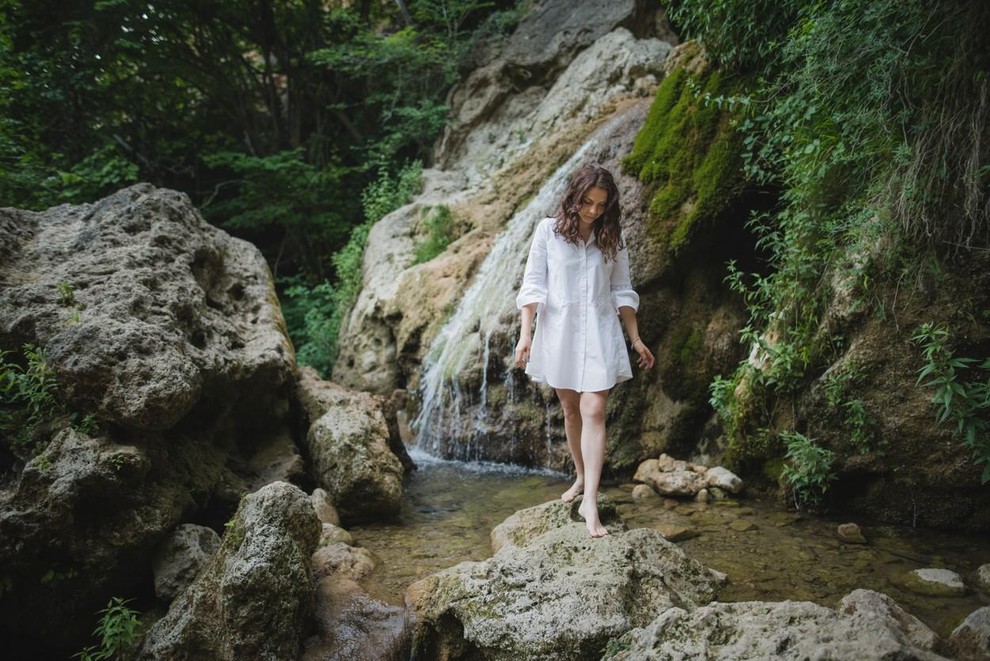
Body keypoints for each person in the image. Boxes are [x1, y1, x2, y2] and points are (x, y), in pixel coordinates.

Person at [513, 164, 654, 538]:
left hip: (600, 330)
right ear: (574, 197)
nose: (593, 211)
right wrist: (525, 336)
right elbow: (533, 287)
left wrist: (635, 338)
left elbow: (622, 291)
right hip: (559, 333)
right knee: (571, 409)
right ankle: (579, 475)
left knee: (594, 408)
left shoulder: (613, 237)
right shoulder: (548, 231)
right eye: (587, 202)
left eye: (601, 204)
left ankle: (590, 499)